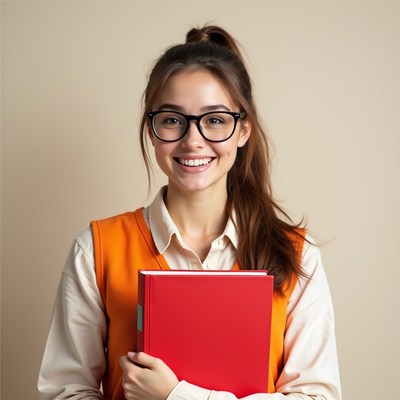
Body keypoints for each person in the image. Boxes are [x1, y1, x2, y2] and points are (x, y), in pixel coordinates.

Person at [38, 25, 341, 400]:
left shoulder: (298, 254)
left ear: (243, 129)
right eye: (172, 119)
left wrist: (175, 396)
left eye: (215, 120)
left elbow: (315, 396)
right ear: (152, 129)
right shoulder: (96, 250)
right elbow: (64, 391)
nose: (192, 139)